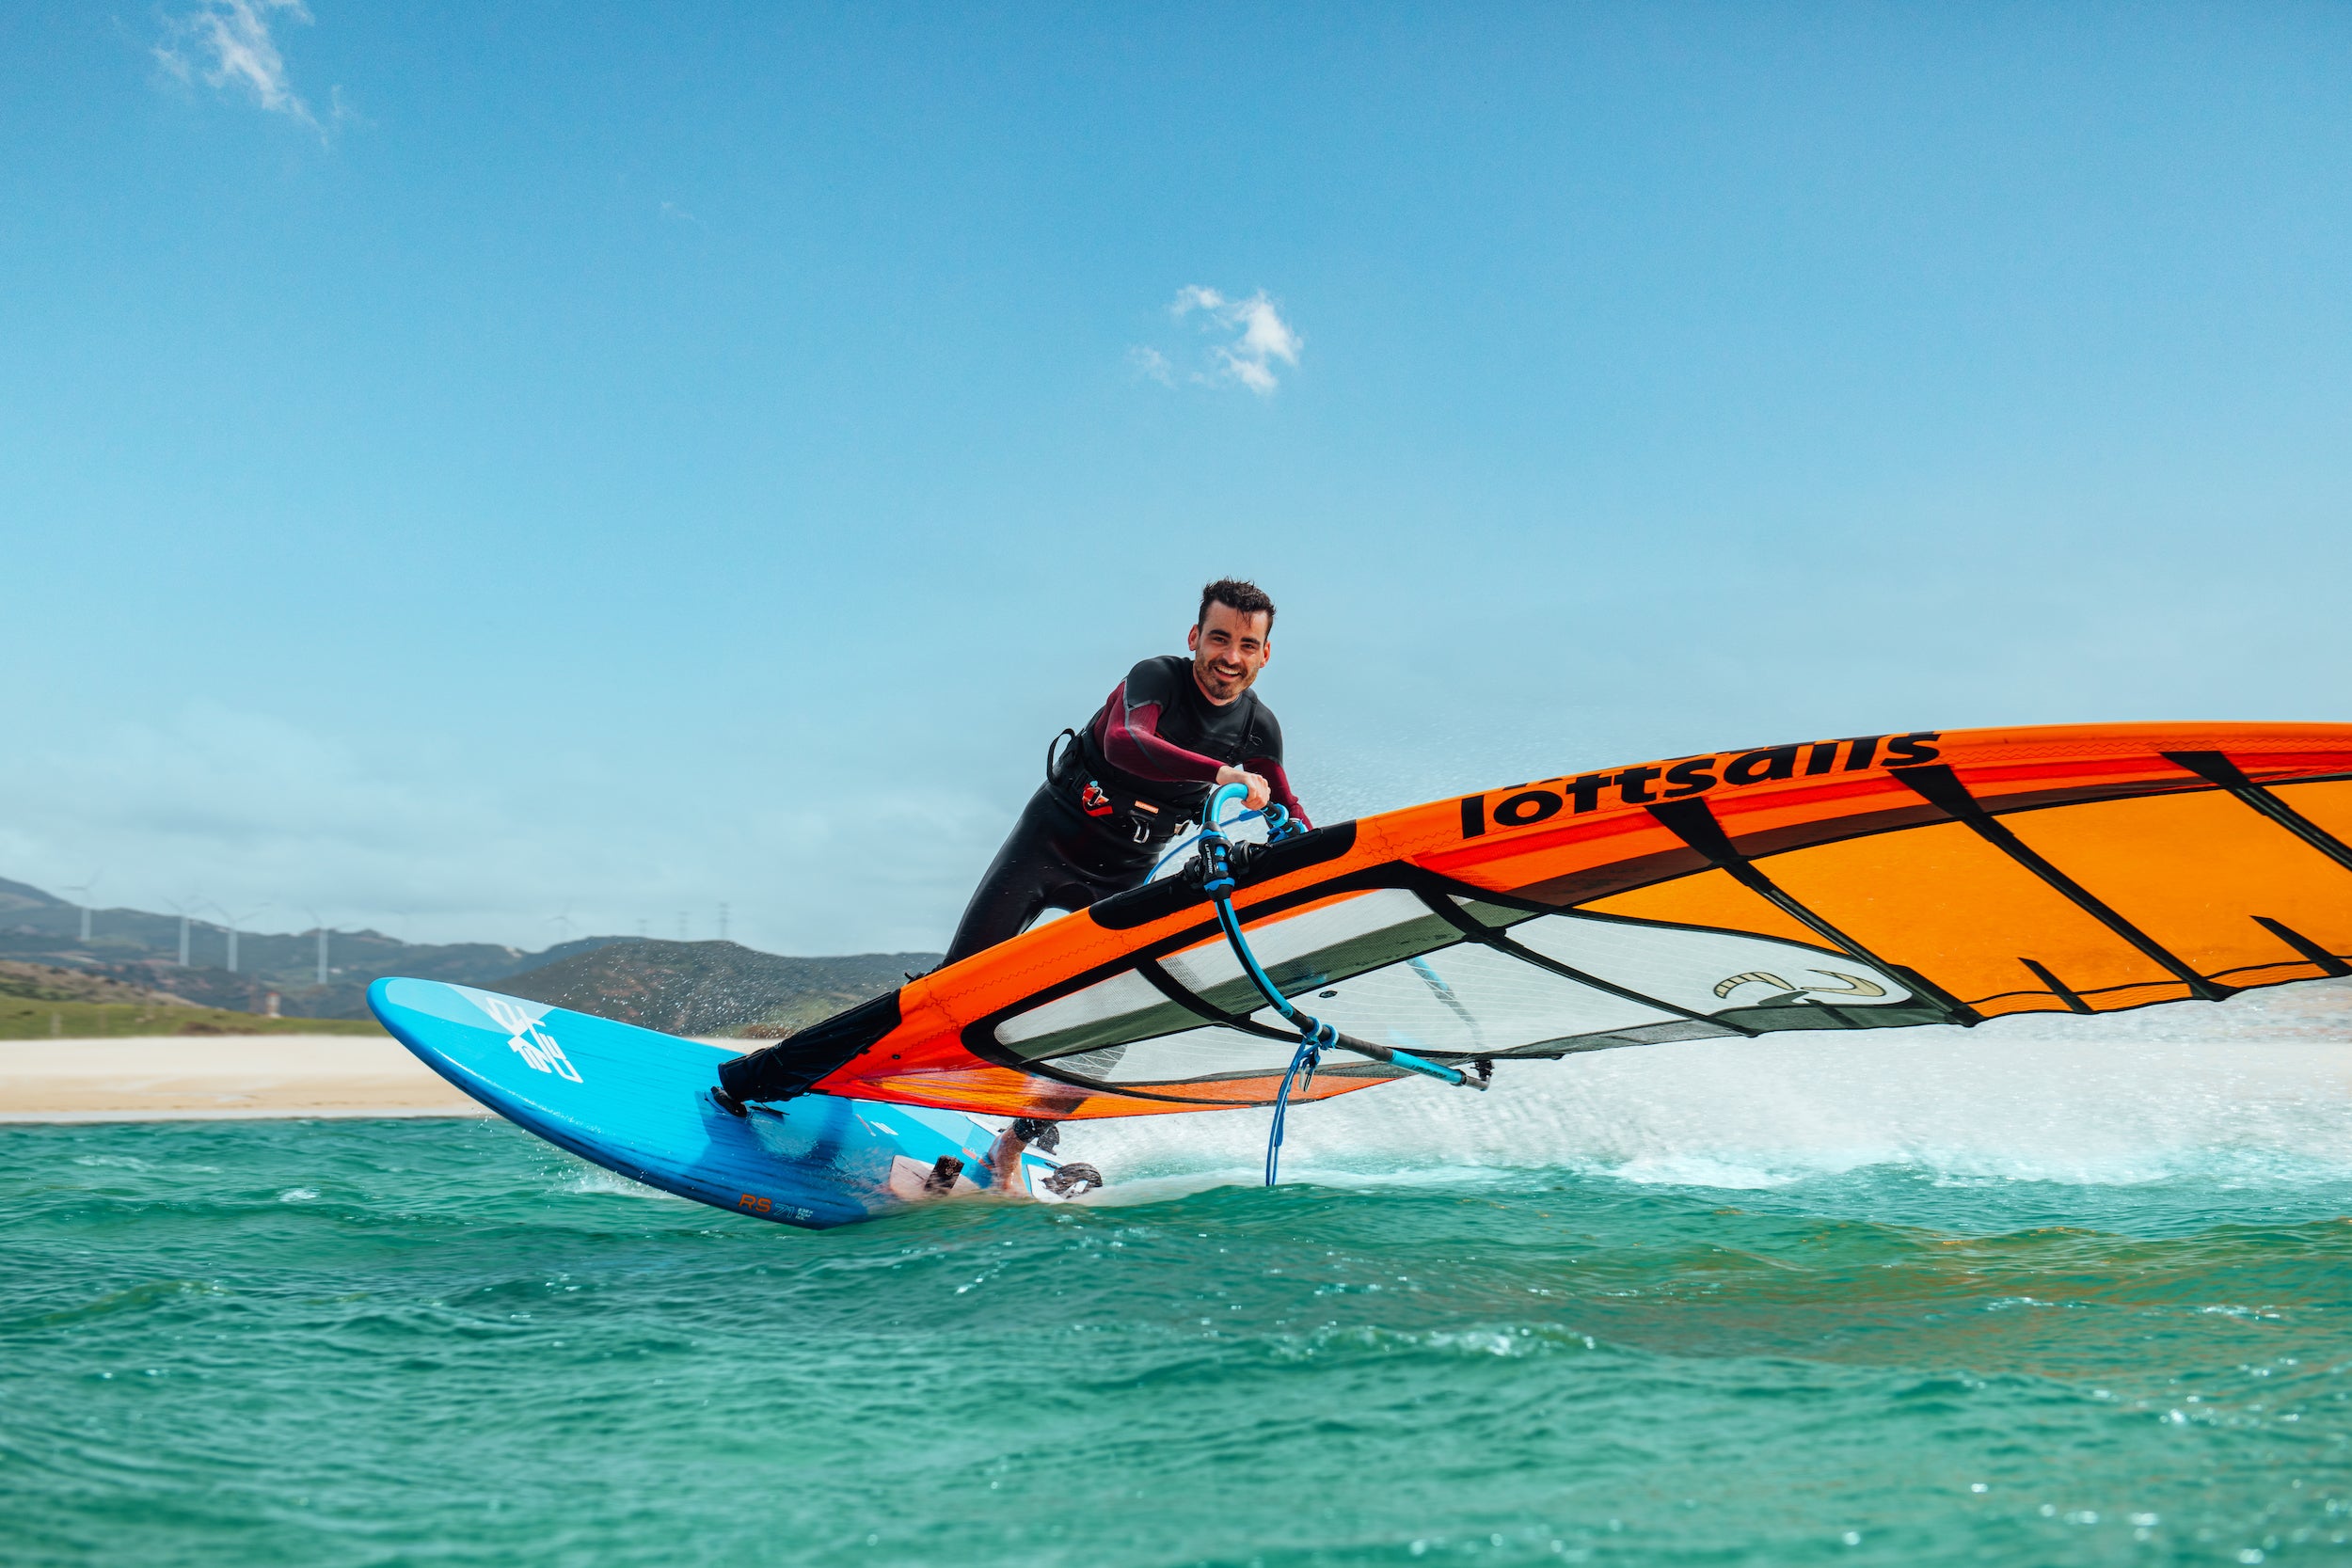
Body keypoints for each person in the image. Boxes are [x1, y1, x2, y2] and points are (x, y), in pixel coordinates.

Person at [711, 578, 1311, 1142]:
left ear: (1265, 656)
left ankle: (1024, 1136)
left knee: (1132, 1001)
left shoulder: (1258, 730)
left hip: (1126, 874)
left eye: (1246, 645)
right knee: (950, 992)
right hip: (1050, 842)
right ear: (1194, 638)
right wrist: (1221, 774)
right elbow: (1127, 743)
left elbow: (1288, 814)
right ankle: (765, 1079)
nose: (1230, 656)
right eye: (1219, 638)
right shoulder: (1155, 678)